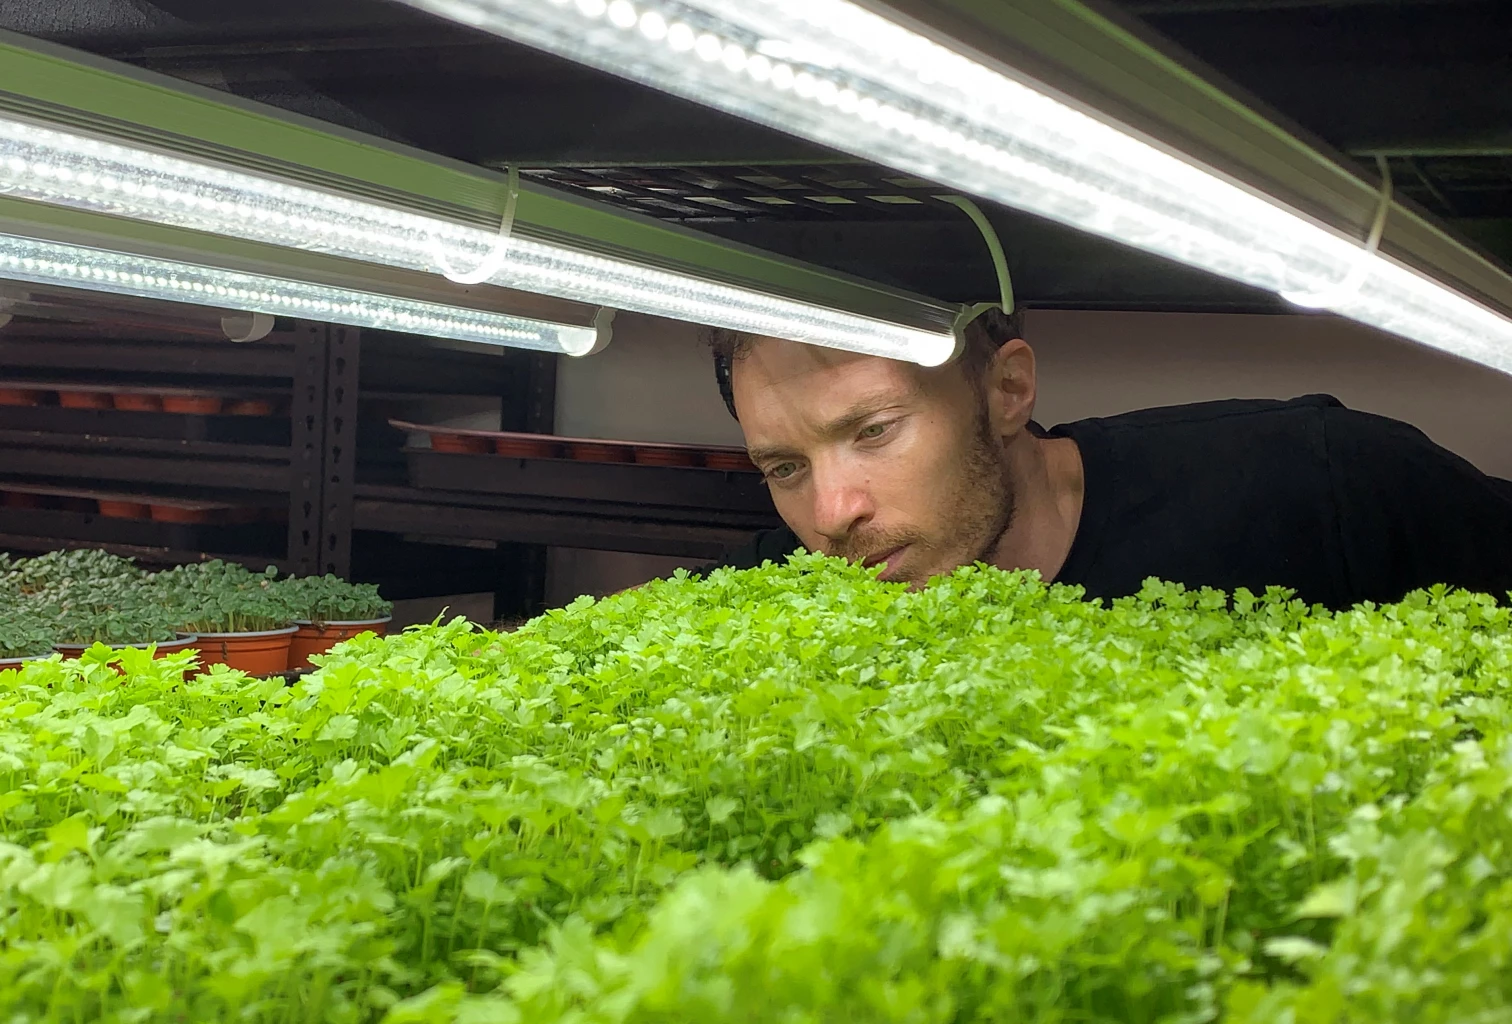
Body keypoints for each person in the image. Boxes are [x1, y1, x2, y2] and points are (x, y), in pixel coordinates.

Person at [701, 306, 1512, 609]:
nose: (834, 513)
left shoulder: (1321, 478)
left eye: (873, 431)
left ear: (1008, 389)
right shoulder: (754, 605)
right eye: (784, 468)